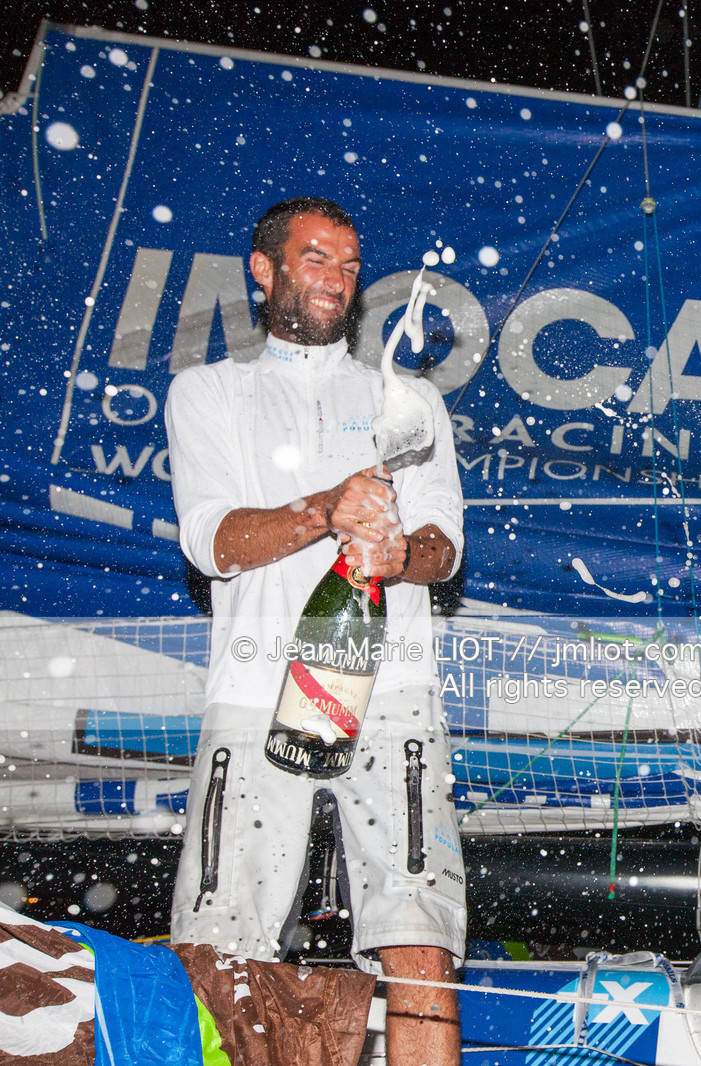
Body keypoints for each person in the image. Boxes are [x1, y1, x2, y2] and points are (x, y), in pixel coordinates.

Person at [166, 197, 466, 1066]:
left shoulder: (408, 398)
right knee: (221, 948)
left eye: (349, 263)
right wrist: (324, 509)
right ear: (264, 271)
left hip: (392, 690)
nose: (338, 278)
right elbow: (213, 541)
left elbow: (445, 549)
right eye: (316, 258)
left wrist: (398, 552)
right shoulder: (209, 391)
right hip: (255, 690)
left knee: (420, 938)